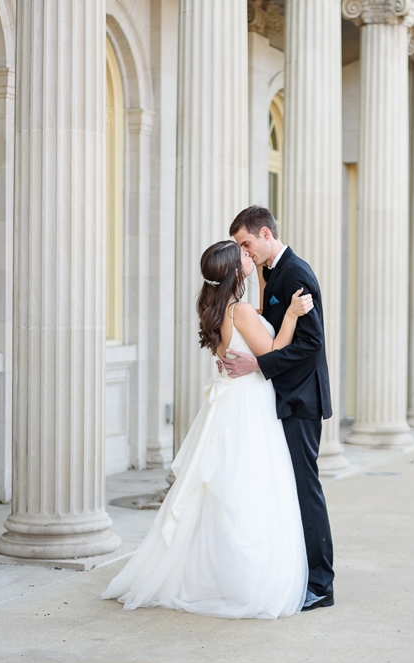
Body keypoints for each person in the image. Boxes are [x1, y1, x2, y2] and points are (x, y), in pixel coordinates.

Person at [101, 240, 315, 619]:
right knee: (250, 489)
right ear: (235, 272)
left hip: (230, 403)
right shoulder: (241, 310)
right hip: (248, 405)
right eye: (243, 256)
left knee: (224, 490)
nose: (248, 255)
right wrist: (294, 316)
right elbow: (274, 352)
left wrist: (263, 281)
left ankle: (212, 573)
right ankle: (242, 578)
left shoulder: (215, 307)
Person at [224, 205, 335, 611]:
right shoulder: (271, 272)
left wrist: (258, 364)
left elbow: (310, 343)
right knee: (289, 490)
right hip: (283, 397)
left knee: (307, 491)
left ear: (266, 234)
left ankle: (321, 585)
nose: (244, 252)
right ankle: (300, 574)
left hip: (302, 398)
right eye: (240, 246)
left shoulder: (296, 273)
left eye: (246, 243)